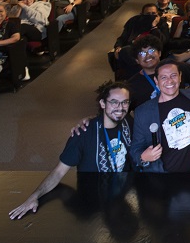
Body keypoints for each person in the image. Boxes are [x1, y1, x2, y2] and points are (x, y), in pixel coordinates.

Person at [8, 82, 135, 220]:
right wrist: (35, 196)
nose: (120, 108)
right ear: (103, 103)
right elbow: (59, 172)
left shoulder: (128, 122)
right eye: (114, 102)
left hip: (122, 192)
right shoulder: (83, 134)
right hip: (93, 198)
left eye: (125, 102)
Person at [130, 59, 190, 173]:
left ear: (180, 77)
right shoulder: (143, 112)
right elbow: (135, 149)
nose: (169, 81)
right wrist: (143, 158)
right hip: (166, 177)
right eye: (163, 77)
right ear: (156, 81)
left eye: (173, 75)